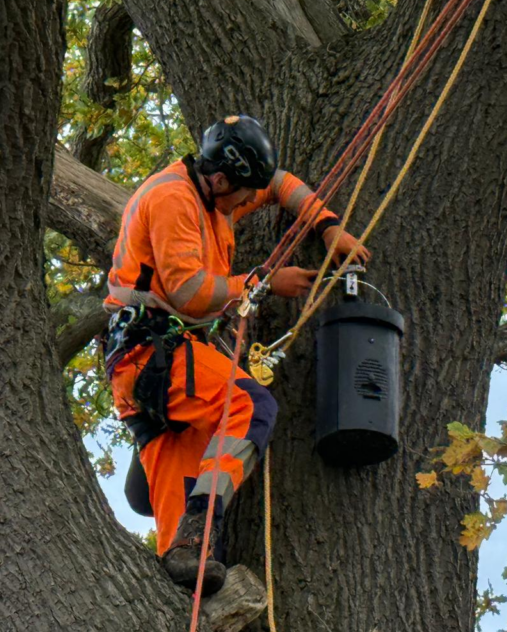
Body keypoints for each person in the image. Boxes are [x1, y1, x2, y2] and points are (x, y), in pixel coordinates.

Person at [105, 115, 368, 597]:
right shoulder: (173, 199)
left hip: (151, 373)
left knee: (185, 559)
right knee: (250, 407)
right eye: (243, 195)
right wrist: (264, 284)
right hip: (153, 350)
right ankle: (203, 520)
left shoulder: (216, 195)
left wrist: (328, 226)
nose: (249, 204)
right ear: (220, 179)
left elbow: (281, 185)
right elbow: (188, 293)